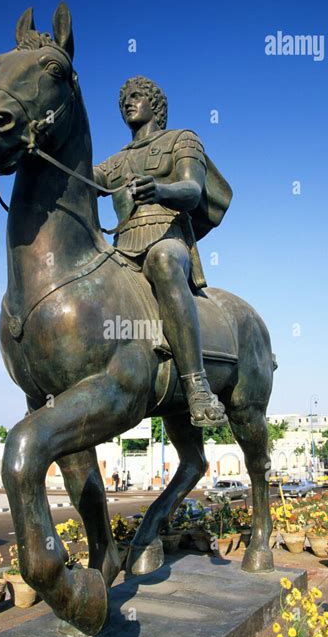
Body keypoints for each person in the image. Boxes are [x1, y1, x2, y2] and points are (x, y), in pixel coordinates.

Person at [94, 76, 232, 427]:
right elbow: (81, 180)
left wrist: (159, 190)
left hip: (168, 234)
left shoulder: (182, 140)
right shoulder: (115, 162)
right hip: (122, 247)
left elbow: (192, 190)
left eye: (136, 96)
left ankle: (196, 384)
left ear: (155, 105)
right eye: (123, 98)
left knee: (164, 260)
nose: (128, 102)